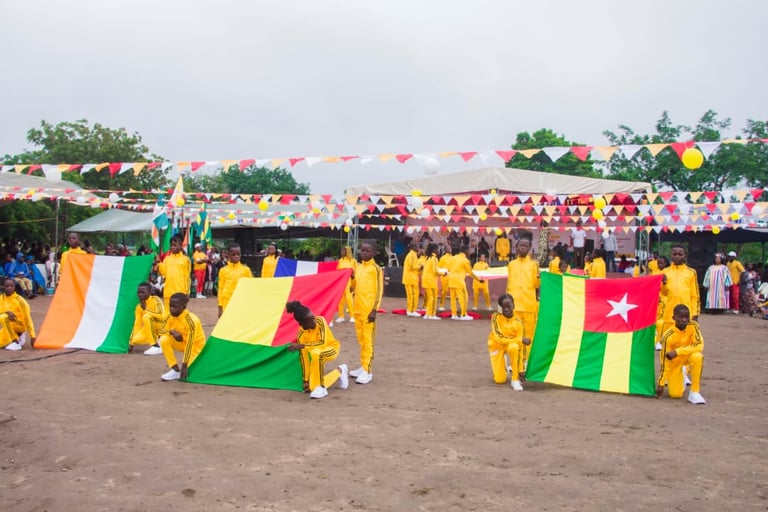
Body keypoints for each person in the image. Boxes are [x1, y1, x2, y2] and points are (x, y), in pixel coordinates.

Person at [285, 300, 349, 399]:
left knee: (316, 353)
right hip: (316, 357)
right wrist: (305, 380)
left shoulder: (320, 321)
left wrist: (301, 346)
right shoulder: (301, 335)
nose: (314, 321)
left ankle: (321, 387)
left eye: (313, 317)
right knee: (311, 387)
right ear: (302, 324)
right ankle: (339, 371)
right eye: (310, 320)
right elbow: (304, 358)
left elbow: (323, 342)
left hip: (331, 348)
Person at [656, 304, 706, 405]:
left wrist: (677, 351)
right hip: (675, 362)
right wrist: (661, 383)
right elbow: (664, 361)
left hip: (688, 357)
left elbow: (699, 345)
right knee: (675, 395)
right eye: (681, 317)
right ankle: (681, 374)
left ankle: (694, 392)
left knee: (697, 357)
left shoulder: (693, 325)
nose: (684, 320)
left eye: (687, 317)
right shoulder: (668, 336)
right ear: (674, 318)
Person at [349, 241, 383, 385]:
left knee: (368, 342)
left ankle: (367, 371)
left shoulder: (376, 269)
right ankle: (362, 366)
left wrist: (374, 309)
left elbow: (379, 290)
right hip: (357, 309)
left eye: (368, 251)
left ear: (374, 253)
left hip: (368, 311)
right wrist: (351, 278)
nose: (364, 253)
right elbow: (353, 288)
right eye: (362, 250)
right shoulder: (358, 267)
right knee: (361, 340)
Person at [505, 232, 539, 374]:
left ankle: (525, 363)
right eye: (520, 246)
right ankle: (514, 361)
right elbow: (508, 284)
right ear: (516, 248)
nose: (523, 248)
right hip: (514, 307)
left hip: (529, 306)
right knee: (513, 335)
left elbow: (537, 286)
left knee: (528, 337)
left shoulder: (534, 265)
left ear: (530, 248)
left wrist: (539, 279)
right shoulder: (511, 264)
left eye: (526, 246)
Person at [158, 293, 206, 381]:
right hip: (182, 344)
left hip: (195, 348)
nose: (172, 309)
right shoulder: (170, 316)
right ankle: (175, 369)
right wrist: (171, 332)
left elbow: (190, 344)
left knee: (193, 373)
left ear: (184, 306)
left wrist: (184, 365)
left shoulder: (191, 320)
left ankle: (200, 362)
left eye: (175, 306)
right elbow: (160, 331)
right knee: (164, 339)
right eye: (170, 306)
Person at [487, 294, 531, 391]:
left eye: (509, 306)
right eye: (503, 307)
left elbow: (521, 348)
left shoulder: (518, 322)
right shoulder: (495, 317)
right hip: (496, 346)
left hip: (511, 346)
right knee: (499, 380)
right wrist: (520, 339)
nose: (506, 309)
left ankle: (514, 380)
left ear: (513, 306)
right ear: (500, 308)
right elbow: (499, 338)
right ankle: (504, 364)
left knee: (514, 347)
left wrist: (521, 369)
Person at [659, 244, 700, 348]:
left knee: (685, 341)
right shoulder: (665, 271)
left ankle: (683, 363)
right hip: (669, 312)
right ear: (671, 256)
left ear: (684, 256)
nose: (677, 256)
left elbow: (695, 295)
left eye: (680, 254)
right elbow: (663, 293)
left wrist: (695, 314)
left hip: (686, 313)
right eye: (675, 254)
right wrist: (663, 283)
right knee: (669, 341)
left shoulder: (691, 272)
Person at [129, 282, 167, 355]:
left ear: (150, 292)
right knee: (135, 339)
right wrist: (131, 342)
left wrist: (146, 310)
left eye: (143, 292)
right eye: (139, 292)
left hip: (163, 326)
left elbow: (161, 316)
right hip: (153, 328)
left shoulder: (156, 300)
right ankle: (159, 341)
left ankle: (156, 345)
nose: (140, 294)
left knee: (146, 317)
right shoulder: (138, 307)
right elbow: (137, 325)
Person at [217, 243, 253, 318]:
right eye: (233, 254)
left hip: (241, 301)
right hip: (227, 302)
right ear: (228, 255)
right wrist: (220, 307)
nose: (236, 256)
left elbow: (250, 287)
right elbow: (220, 288)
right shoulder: (223, 270)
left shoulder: (246, 270)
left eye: (238, 254)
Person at [0, 277, 36, 350]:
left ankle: (16, 341)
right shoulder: (1, 298)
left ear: (14, 287)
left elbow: (27, 318)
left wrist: (33, 336)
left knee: (4, 317)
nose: (9, 288)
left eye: (11, 286)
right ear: (3, 287)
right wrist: (7, 312)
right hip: (8, 327)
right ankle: (13, 338)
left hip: (19, 325)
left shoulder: (20, 300)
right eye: (7, 286)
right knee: (4, 316)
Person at [447, 245, 482, 320]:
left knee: (453, 298)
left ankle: (454, 314)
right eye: (468, 251)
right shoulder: (465, 260)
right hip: (459, 281)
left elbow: (448, 269)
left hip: (451, 279)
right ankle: (463, 314)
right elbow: (470, 272)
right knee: (463, 297)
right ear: (466, 251)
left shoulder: (453, 257)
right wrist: (478, 279)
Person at [158, 234, 191, 311]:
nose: (172, 247)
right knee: (167, 313)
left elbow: (187, 277)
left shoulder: (186, 259)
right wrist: (159, 263)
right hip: (168, 291)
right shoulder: (167, 259)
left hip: (180, 291)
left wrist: (187, 293)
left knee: (179, 312)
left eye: (175, 245)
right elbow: (164, 273)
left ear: (180, 246)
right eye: (171, 245)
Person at [334, 246, 356, 324]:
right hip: (340, 283)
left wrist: (353, 285)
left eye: (343, 251)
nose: (342, 252)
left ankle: (352, 316)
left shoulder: (352, 261)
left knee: (349, 299)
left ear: (347, 252)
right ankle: (341, 316)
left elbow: (354, 273)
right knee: (340, 300)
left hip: (348, 282)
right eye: (341, 251)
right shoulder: (339, 261)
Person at [402, 241, 422, 317]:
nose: (418, 248)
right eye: (417, 247)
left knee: (413, 294)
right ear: (413, 248)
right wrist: (419, 267)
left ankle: (412, 309)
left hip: (411, 278)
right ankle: (411, 310)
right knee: (412, 295)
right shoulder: (411, 255)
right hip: (410, 278)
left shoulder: (413, 255)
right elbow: (411, 266)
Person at [421, 243, 440, 320]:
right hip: (431, 280)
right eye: (437, 249)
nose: (438, 250)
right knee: (433, 298)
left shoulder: (427, 258)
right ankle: (432, 314)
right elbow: (435, 271)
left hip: (426, 280)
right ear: (434, 250)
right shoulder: (434, 258)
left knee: (430, 297)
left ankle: (428, 314)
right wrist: (444, 273)